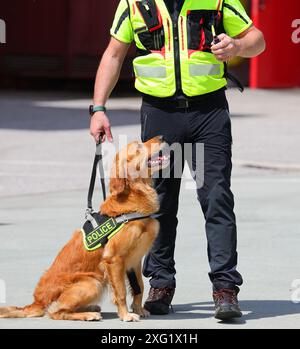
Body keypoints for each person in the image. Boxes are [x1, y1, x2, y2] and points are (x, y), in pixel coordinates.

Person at [89, 0, 265, 320]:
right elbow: (113, 54)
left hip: (207, 114)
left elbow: (258, 40)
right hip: (160, 115)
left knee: (216, 196)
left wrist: (237, 44)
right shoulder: (134, 3)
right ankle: (161, 283)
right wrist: (98, 108)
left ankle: (225, 288)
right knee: (159, 201)